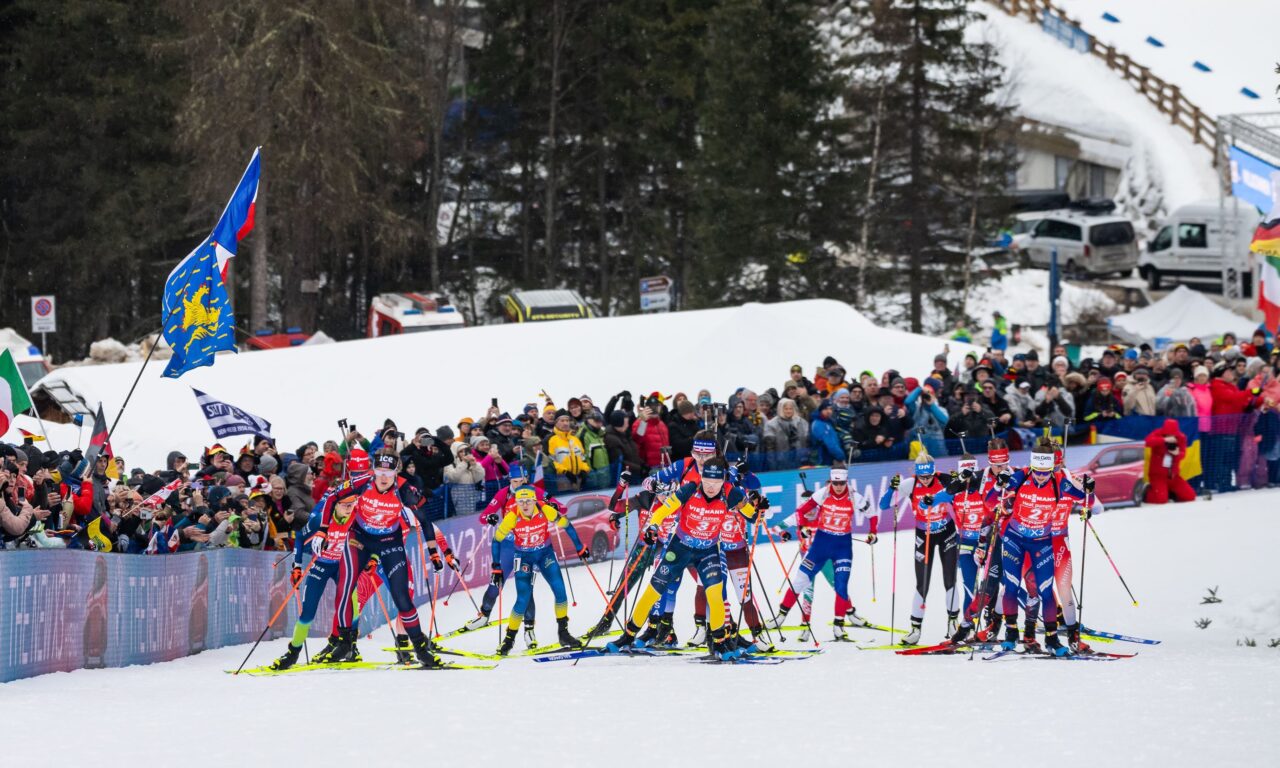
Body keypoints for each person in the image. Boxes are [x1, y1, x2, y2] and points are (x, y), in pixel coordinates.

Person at [604, 458, 761, 660]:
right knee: (654, 590)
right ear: (702, 478)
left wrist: (758, 509)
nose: (711, 487)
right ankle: (628, 636)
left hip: (708, 550)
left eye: (716, 483)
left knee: (715, 595)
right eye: (707, 481)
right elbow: (663, 511)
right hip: (680, 547)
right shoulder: (689, 489)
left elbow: (751, 515)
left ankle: (720, 642)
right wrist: (653, 527)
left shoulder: (731, 493)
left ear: (723, 481)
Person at [316, 454, 456, 668]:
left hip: (390, 542)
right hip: (359, 539)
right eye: (379, 472)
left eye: (388, 473)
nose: (383, 477)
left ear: (396, 472)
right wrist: (322, 531)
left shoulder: (405, 490)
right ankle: (344, 642)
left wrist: (436, 553)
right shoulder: (362, 482)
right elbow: (332, 498)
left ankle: (419, 648)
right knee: (346, 589)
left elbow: (426, 523)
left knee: (403, 598)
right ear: (373, 470)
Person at [989, 438, 1090, 656]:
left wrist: (1088, 489)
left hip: (1042, 542)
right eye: (1038, 471)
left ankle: (1052, 639)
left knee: (1045, 591)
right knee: (1012, 586)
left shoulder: (1059, 482)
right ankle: (1011, 634)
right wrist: (1000, 483)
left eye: (1046, 472)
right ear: (1032, 467)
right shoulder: (1022, 474)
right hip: (1014, 539)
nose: (1041, 476)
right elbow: (990, 501)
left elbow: (1084, 498)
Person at [769, 464, 876, 639]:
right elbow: (777, 527)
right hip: (816, 551)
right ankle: (790, 620)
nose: (809, 510)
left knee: (840, 585)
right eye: (836, 483)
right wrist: (786, 533)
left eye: (842, 483)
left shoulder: (824, 508)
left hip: (837, 550)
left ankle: (845, 619)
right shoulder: (807, 508)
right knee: (803, 586)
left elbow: (867, 512)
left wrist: (872, 533)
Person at [491, 487, 589, 655]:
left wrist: (580, 547)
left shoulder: (545, 509)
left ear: (534, 500)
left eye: (528, 500)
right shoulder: (512, 515)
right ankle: (509, 640)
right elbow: (496, 540)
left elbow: (567, 525)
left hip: (545, 554)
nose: (525, 505)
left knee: (560, 591)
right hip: (523, 556)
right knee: (522, 599)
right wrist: (496, 566)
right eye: (521, 501)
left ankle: (563, 634)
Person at [880, 453, 957, 644]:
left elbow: (962, 499)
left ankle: (953, 623)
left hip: (946, 533)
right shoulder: (909, 484)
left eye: (928, 476)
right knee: (922, 583)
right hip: (924, 536)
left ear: (933, 472)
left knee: (950, 580)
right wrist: (892, 488)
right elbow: (883, 505)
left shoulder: (944, 479)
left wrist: (958, 483)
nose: (925, 480)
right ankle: (915, 629)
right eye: (922, 477)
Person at [1144, 419, 1196, 504]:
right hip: (1158, 475)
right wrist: (1164, 440)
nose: (1171, 436)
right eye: (1168, 434)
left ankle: (1171, 494)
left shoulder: (1181, 437)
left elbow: (1183, 454)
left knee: (1190, 496)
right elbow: (1147, 442)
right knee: (1161, 500)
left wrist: (1177, 454)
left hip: (1173, 476)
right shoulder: (1158, 433)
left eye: (1173, 435)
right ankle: (1147, 493)